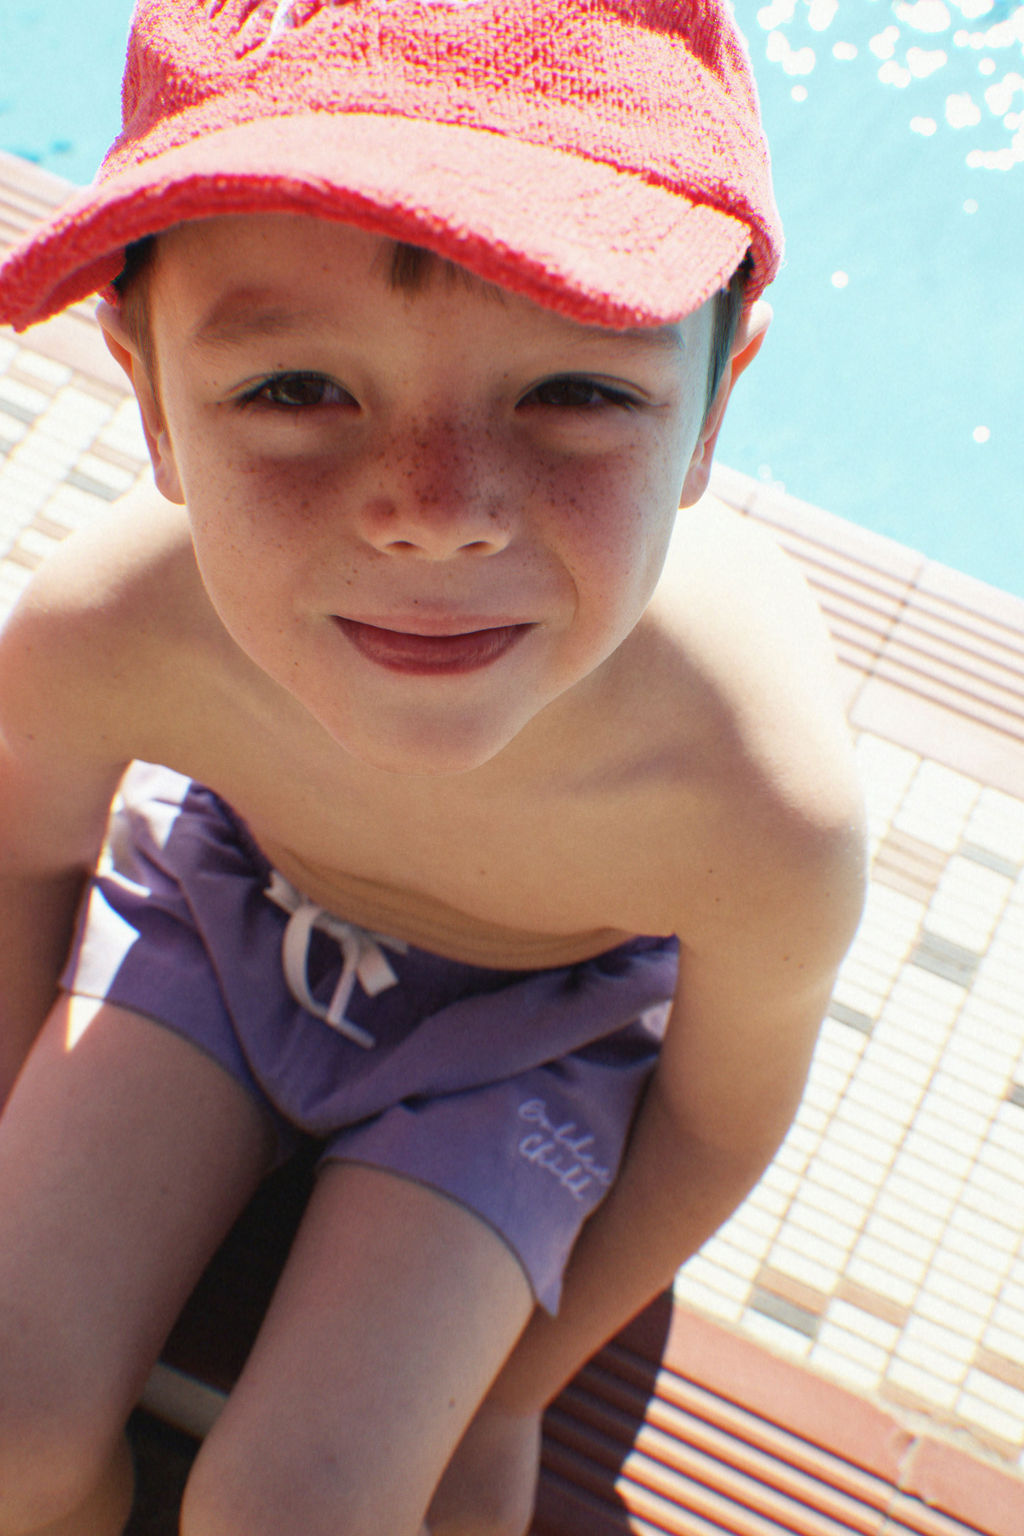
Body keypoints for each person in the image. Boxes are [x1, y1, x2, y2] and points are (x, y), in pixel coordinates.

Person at [0, 2, 866, 1533]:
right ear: (146, 392)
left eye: (578, 395)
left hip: (531, 1036)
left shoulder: (749, 790)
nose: (435, 514)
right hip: (222, 910)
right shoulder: (109, 629)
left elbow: (717, 1120)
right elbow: (21, 859)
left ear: (717, 399)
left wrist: (527, 1376)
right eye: (294, 393)